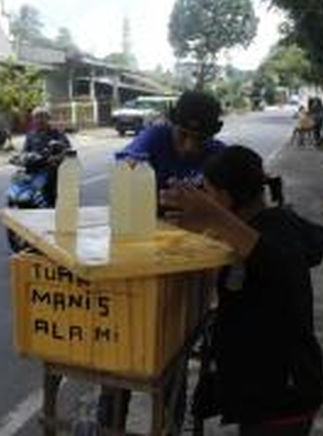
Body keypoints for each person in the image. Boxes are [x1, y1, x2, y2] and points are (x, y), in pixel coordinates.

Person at [161, 145, 323, 435]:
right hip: (262, 389)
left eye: (210, 194)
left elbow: (277, 263)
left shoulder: (278, 231)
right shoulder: (246, 229)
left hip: (284, 394)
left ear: (225, 199)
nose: (206, 199)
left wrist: (213, 217)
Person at [97, 90, 226, 430]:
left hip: (185, 264)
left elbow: (242, 184)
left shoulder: (217, 155)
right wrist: (142, 175)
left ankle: (168, 424)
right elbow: (127, 162)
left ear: (211, 136)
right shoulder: (153, 137)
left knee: (172, 355)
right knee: (123, 354)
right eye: (181, 135)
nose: (186, 145)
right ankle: (110, 426)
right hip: (139, 256)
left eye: (197, 139)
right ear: (171, 123)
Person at [22, 106, 71, 205]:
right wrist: (23, 157)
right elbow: (24, 151)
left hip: (50, 168)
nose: (39, 120)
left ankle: (51, 203)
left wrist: (57, 157)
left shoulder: (56, 133)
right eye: (36, 117)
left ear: (48, 119)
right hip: (33, 169)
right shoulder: (30, 135)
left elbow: (67, 149)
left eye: (42, 117)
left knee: (50, 184)